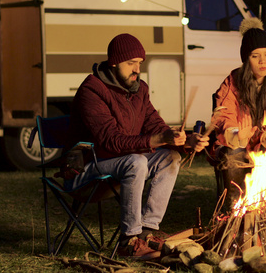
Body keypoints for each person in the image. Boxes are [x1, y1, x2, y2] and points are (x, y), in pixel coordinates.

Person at [65, 33, 209, 260]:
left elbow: (157, 127)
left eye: (139, 63)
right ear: (114, 63)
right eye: (130, 63)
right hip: (84, 169)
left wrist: (186, 142)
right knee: (137, 160)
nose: (137, 69)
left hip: (120, 166)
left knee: (170, 157)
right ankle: (128, 241)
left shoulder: (138, 89)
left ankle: (148, 231)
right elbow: (110, 140)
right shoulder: (91, 91)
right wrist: (159, 138)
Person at [210, 18, 266, 210]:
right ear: (245, 59)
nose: (262, 61)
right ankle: (236, 211)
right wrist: (236, 135)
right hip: (236, 144)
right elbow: (224, 115)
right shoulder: (232, 83)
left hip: (264, 146)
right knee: (234, 154)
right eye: (255, 56)